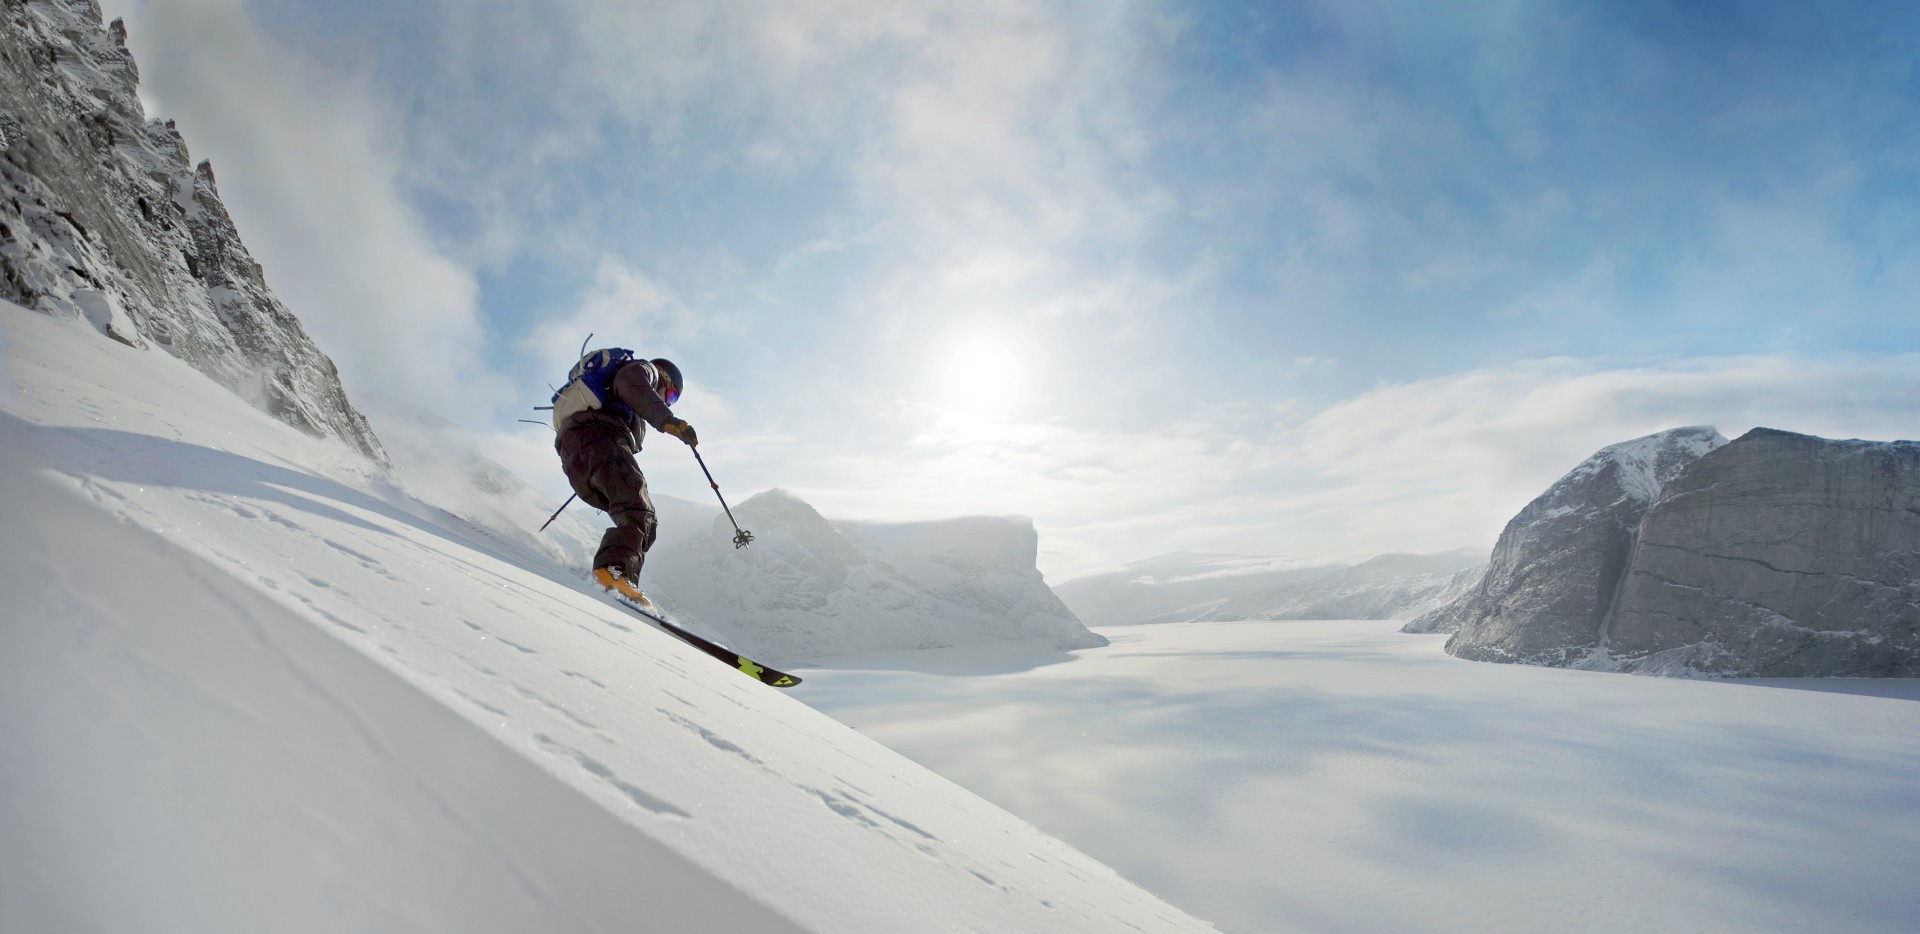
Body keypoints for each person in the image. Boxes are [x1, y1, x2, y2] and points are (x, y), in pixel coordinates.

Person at [551, 350, 696, 606]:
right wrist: (669, 420)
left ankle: (621, 581)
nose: (668, 401)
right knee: (638, 509)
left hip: (576, 451)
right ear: (664, 377)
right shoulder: (644, 370)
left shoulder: (618, 398)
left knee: (645, 521)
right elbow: (631, 382)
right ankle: (613, 573)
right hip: (597, 438)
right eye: (672, 395)